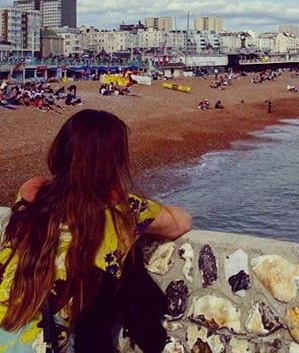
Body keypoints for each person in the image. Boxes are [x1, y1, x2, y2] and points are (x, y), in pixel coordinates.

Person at [0, 109, 192, 352]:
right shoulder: (121, 210)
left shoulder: (32, 192)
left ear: (61, 150)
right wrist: (121, 199)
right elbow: (182, 222)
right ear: (113, 162)